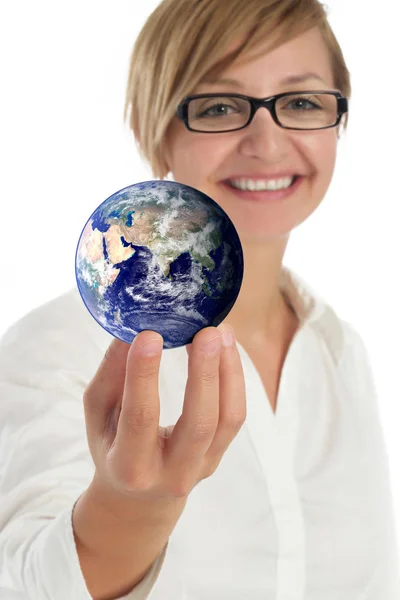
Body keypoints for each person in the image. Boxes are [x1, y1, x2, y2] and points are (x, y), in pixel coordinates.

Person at [0, 0, 399, 598]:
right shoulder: (60, 346)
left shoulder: (341, 350)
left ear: (338, 120)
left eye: (301, 103)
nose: (267, 143)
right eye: (218, 107)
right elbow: (25, 582)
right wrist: (130, 509)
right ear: (154, 132)